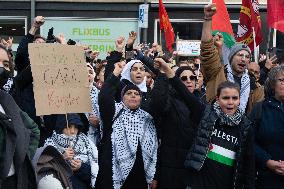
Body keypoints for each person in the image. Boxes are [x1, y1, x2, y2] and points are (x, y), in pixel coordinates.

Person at [154, 59, 254, 189]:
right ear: (218, 99)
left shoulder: (246, 127)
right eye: (225, 98)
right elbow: (186, 95)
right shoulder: (206, 115)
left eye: (234, 98)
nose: (230, 102)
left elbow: (249, 166)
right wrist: (168, 71)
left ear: (239, 100)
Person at [96, 61, 158, 189]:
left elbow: (154, 148)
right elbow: (104, 97)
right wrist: (115, 74)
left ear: (141, 99)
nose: (133, 96)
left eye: (136, 94)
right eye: (129, 93)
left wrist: (154, 176)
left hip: (140, 175)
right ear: (122, 98)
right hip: (112, 174)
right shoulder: (114, 111)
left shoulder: (147, 118)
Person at [200, 3, 264, 113]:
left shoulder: (256, 87)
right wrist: (208, 19)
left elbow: (256, 116)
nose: (243, 59)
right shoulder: (218, 74)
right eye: (239, 55)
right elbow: (207, 50)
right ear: (231, 58)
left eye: (247, 57)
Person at [150, 58, 200, 189]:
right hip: (170, 168)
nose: (189, 81)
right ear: (176, 81)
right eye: (183, 79)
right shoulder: (169, 102)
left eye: (192, 78)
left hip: (194, 168)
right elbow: (157, 104)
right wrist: (162, 75)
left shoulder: (201, 103)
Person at [0, 45, 39, 188]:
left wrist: (22, 160)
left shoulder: (7, 101)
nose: (2, 68)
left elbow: (33, 130)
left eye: (5, 64)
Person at [250, 65, 284, 189]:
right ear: (273, 84)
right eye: (282, 80)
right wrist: (267, 161)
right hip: (267, 179)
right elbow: (249, 140)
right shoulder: (260, 109)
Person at [44, 114, 99, 189]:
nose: (73, 131)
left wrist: (80, 167)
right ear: (61, 127)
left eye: (76, 127)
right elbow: (45, 171)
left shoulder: (86, 143)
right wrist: (61, 158)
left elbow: (95, 175)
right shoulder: (50, 145)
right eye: (68, 127)